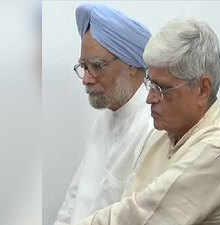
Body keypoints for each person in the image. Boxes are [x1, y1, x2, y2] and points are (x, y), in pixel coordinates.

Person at [74, 18, 220, 225]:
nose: (149, 97)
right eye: (150, 84)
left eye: (161, 88)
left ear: (203, 89)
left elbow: (141, 217)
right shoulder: (165, 132)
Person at [54, 3, 154, 225]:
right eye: (84, 66)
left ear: (131, 65)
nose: (87, 79)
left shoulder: (153, 128)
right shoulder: (104, 119)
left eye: (97, 66)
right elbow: (74, 200)